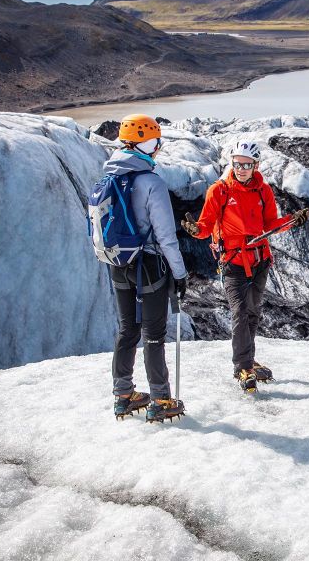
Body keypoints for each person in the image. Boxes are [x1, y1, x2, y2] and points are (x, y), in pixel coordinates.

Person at [182, 141, 309, 393]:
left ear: (256, 165)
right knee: (240, 312)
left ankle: (248, 360)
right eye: (237, 163)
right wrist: (196, 230)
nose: (241, 169)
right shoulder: (219, 191)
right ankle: (242, 366)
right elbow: (206, 226)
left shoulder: (263, 191)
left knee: (252, 312)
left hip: (259, 259)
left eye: (247, 164)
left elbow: (270, 223)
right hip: (233, 261)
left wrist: (292, 220)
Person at [106, 114, 189, 423]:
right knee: (153, 334)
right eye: (156, 142)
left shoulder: (110, 178)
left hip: (118, 264)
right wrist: (179, 274)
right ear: (149, 144)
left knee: (128, 329)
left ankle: (123, 395)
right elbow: (166, 238)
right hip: (150, 267)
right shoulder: (151, 182)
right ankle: (161, 399)